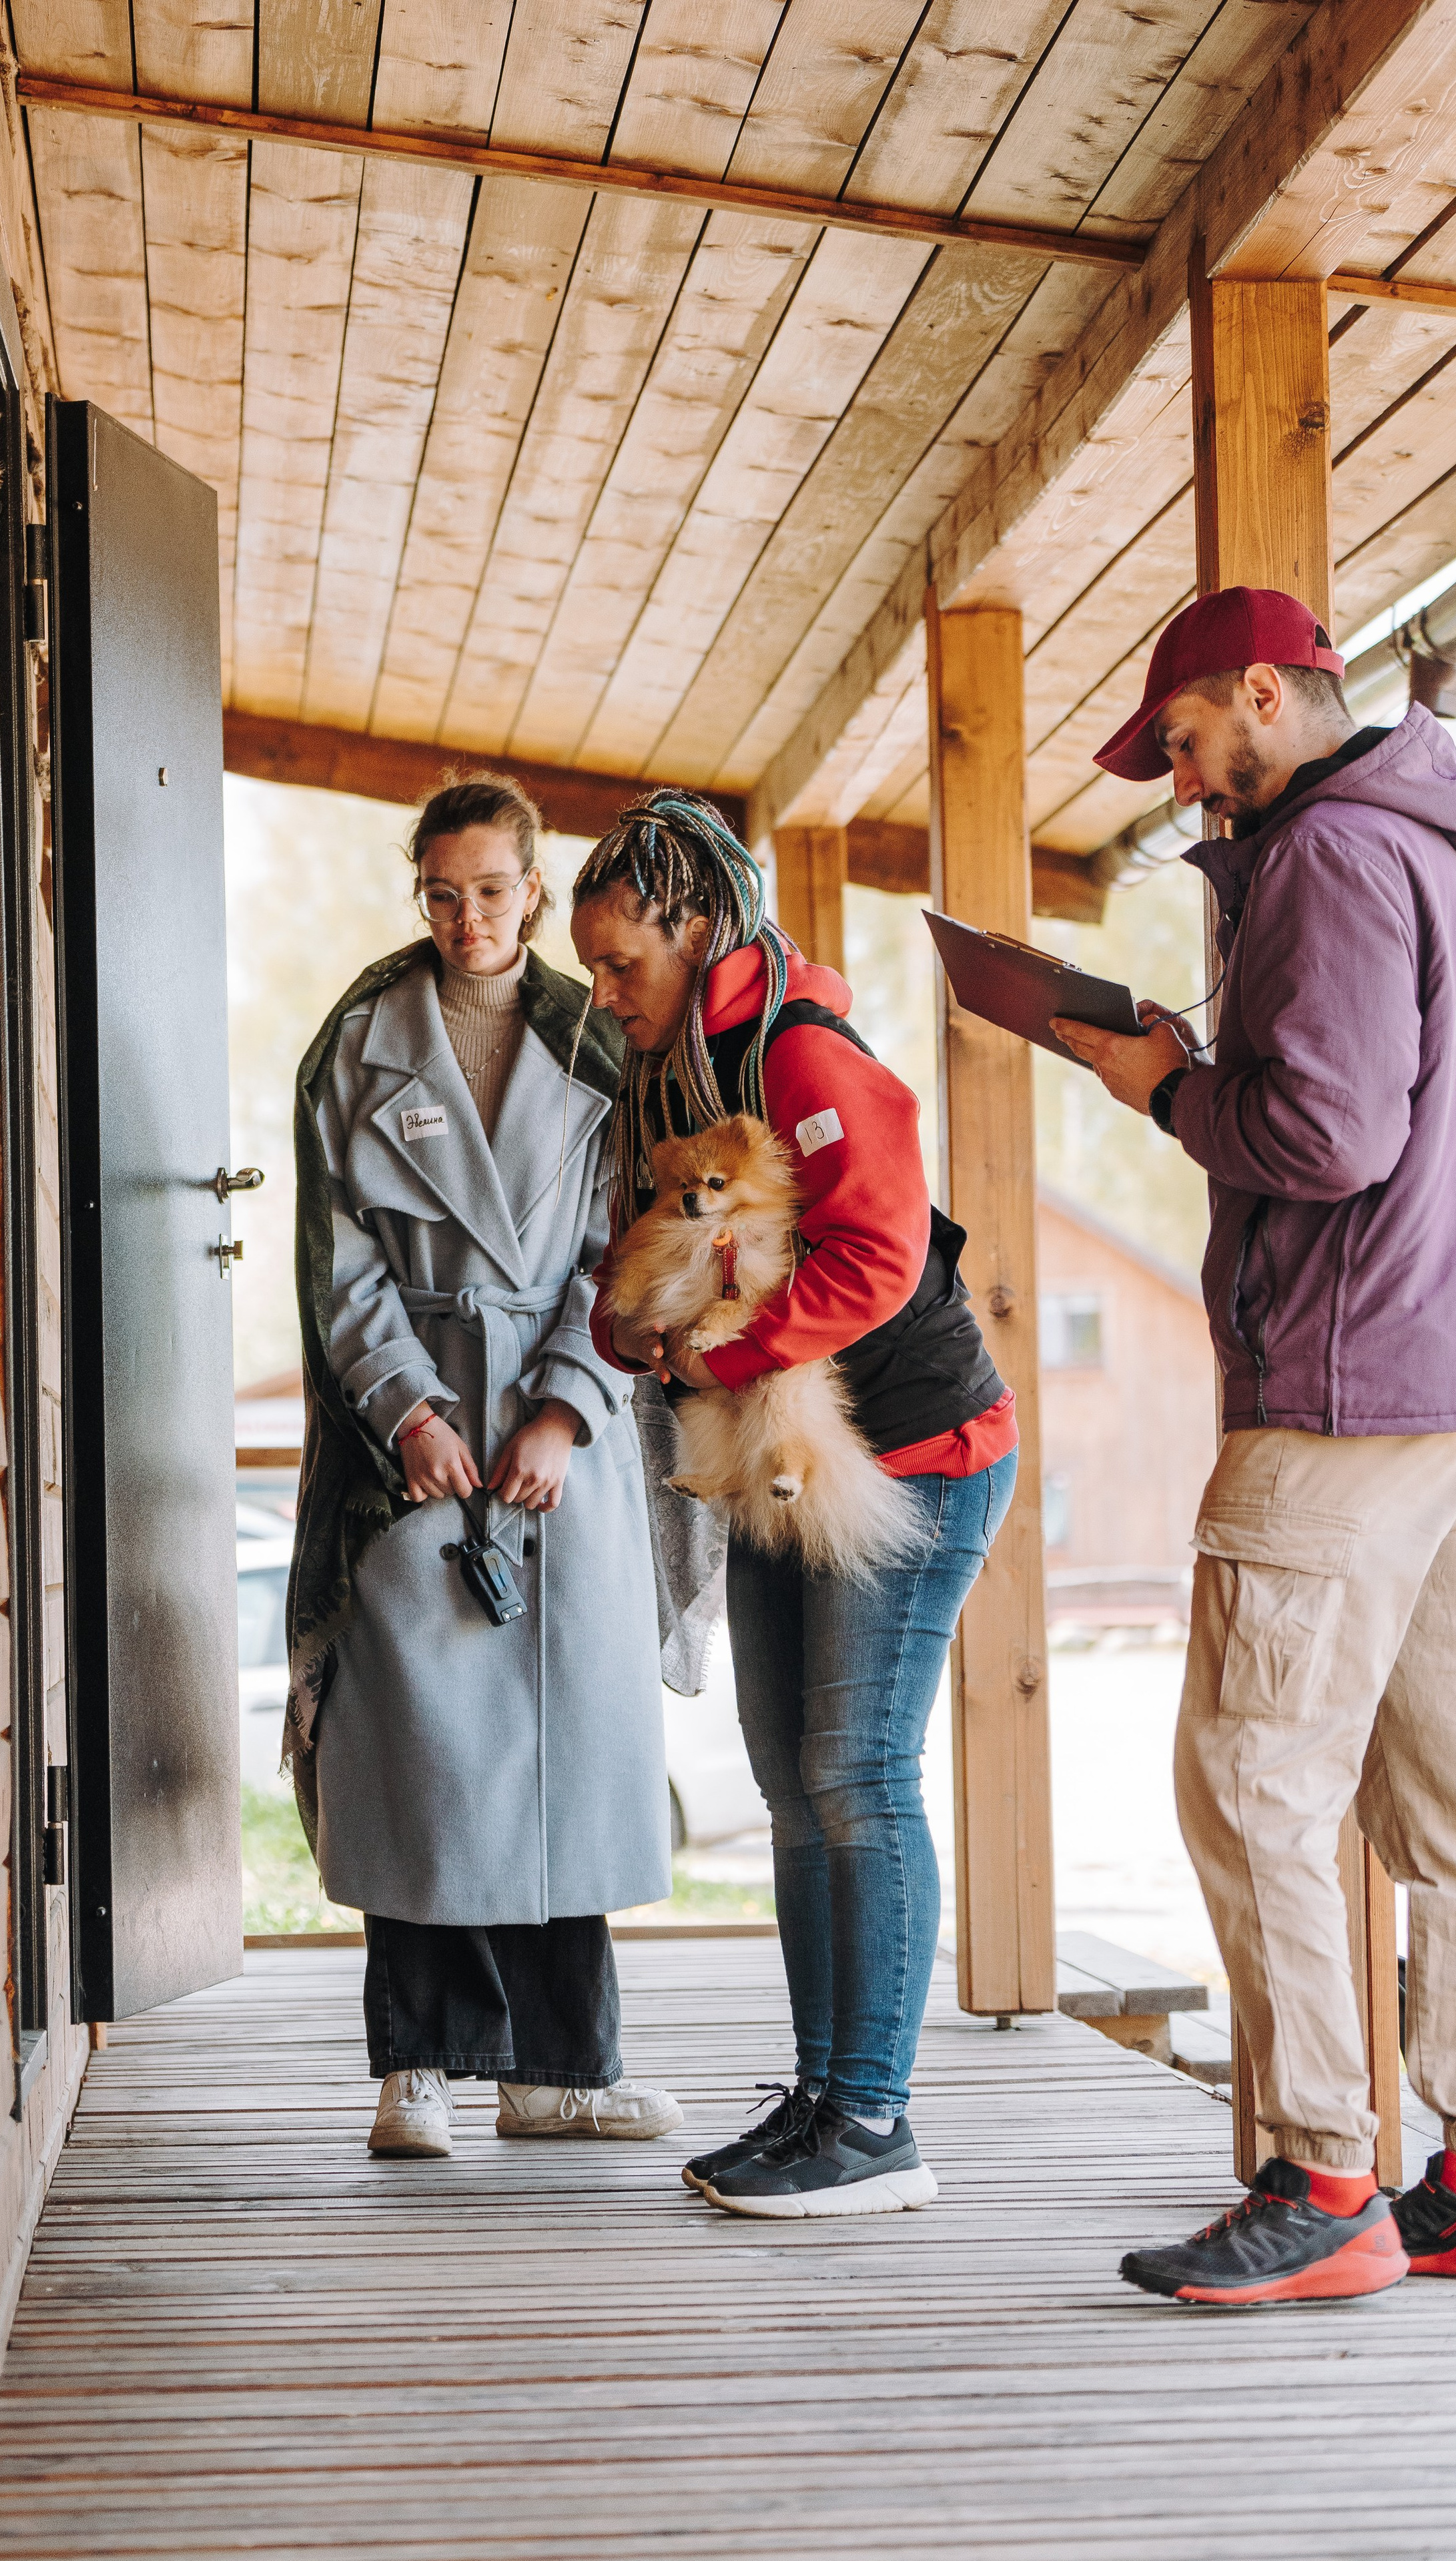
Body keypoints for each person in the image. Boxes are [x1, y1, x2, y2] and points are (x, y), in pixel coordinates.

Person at [1053, 587, 1456, 2304]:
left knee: (1249, 1778)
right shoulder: (1447, 847)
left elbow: (1324, 1135)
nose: (1185, 784)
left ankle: (1321, 2172)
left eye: (1188, 743)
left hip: (1347, 1382)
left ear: (1262, 694)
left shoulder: (1331, 856)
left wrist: (1152, 1080)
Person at [571, 791, 1018, 2217]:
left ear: (693, 924)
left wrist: (705, 1348)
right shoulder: (683, 1069)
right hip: (783, 1460)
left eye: (617, 963)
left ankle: (877, 2119)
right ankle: (824, 2093)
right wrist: (627, 1320)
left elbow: (875, 1261)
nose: (603, 992)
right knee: (788, 1783)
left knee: (855, 1771)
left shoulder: (804, 1051)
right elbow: (654, 1245)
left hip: (917, 1453)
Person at [284, 771, 682, 2161]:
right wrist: (407, 1410)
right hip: (420, 1443)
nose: (466, 919)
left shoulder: (603, 1044)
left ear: (534, 888)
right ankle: (418, 2070)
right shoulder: (359, 1043)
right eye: (440, 893)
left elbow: (630, 1246)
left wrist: (567, 1407)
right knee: (420, 1758)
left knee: (563, 1754)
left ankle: (563, 2068)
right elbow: (340, 1267)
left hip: (560, 1438)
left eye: (493, 891)